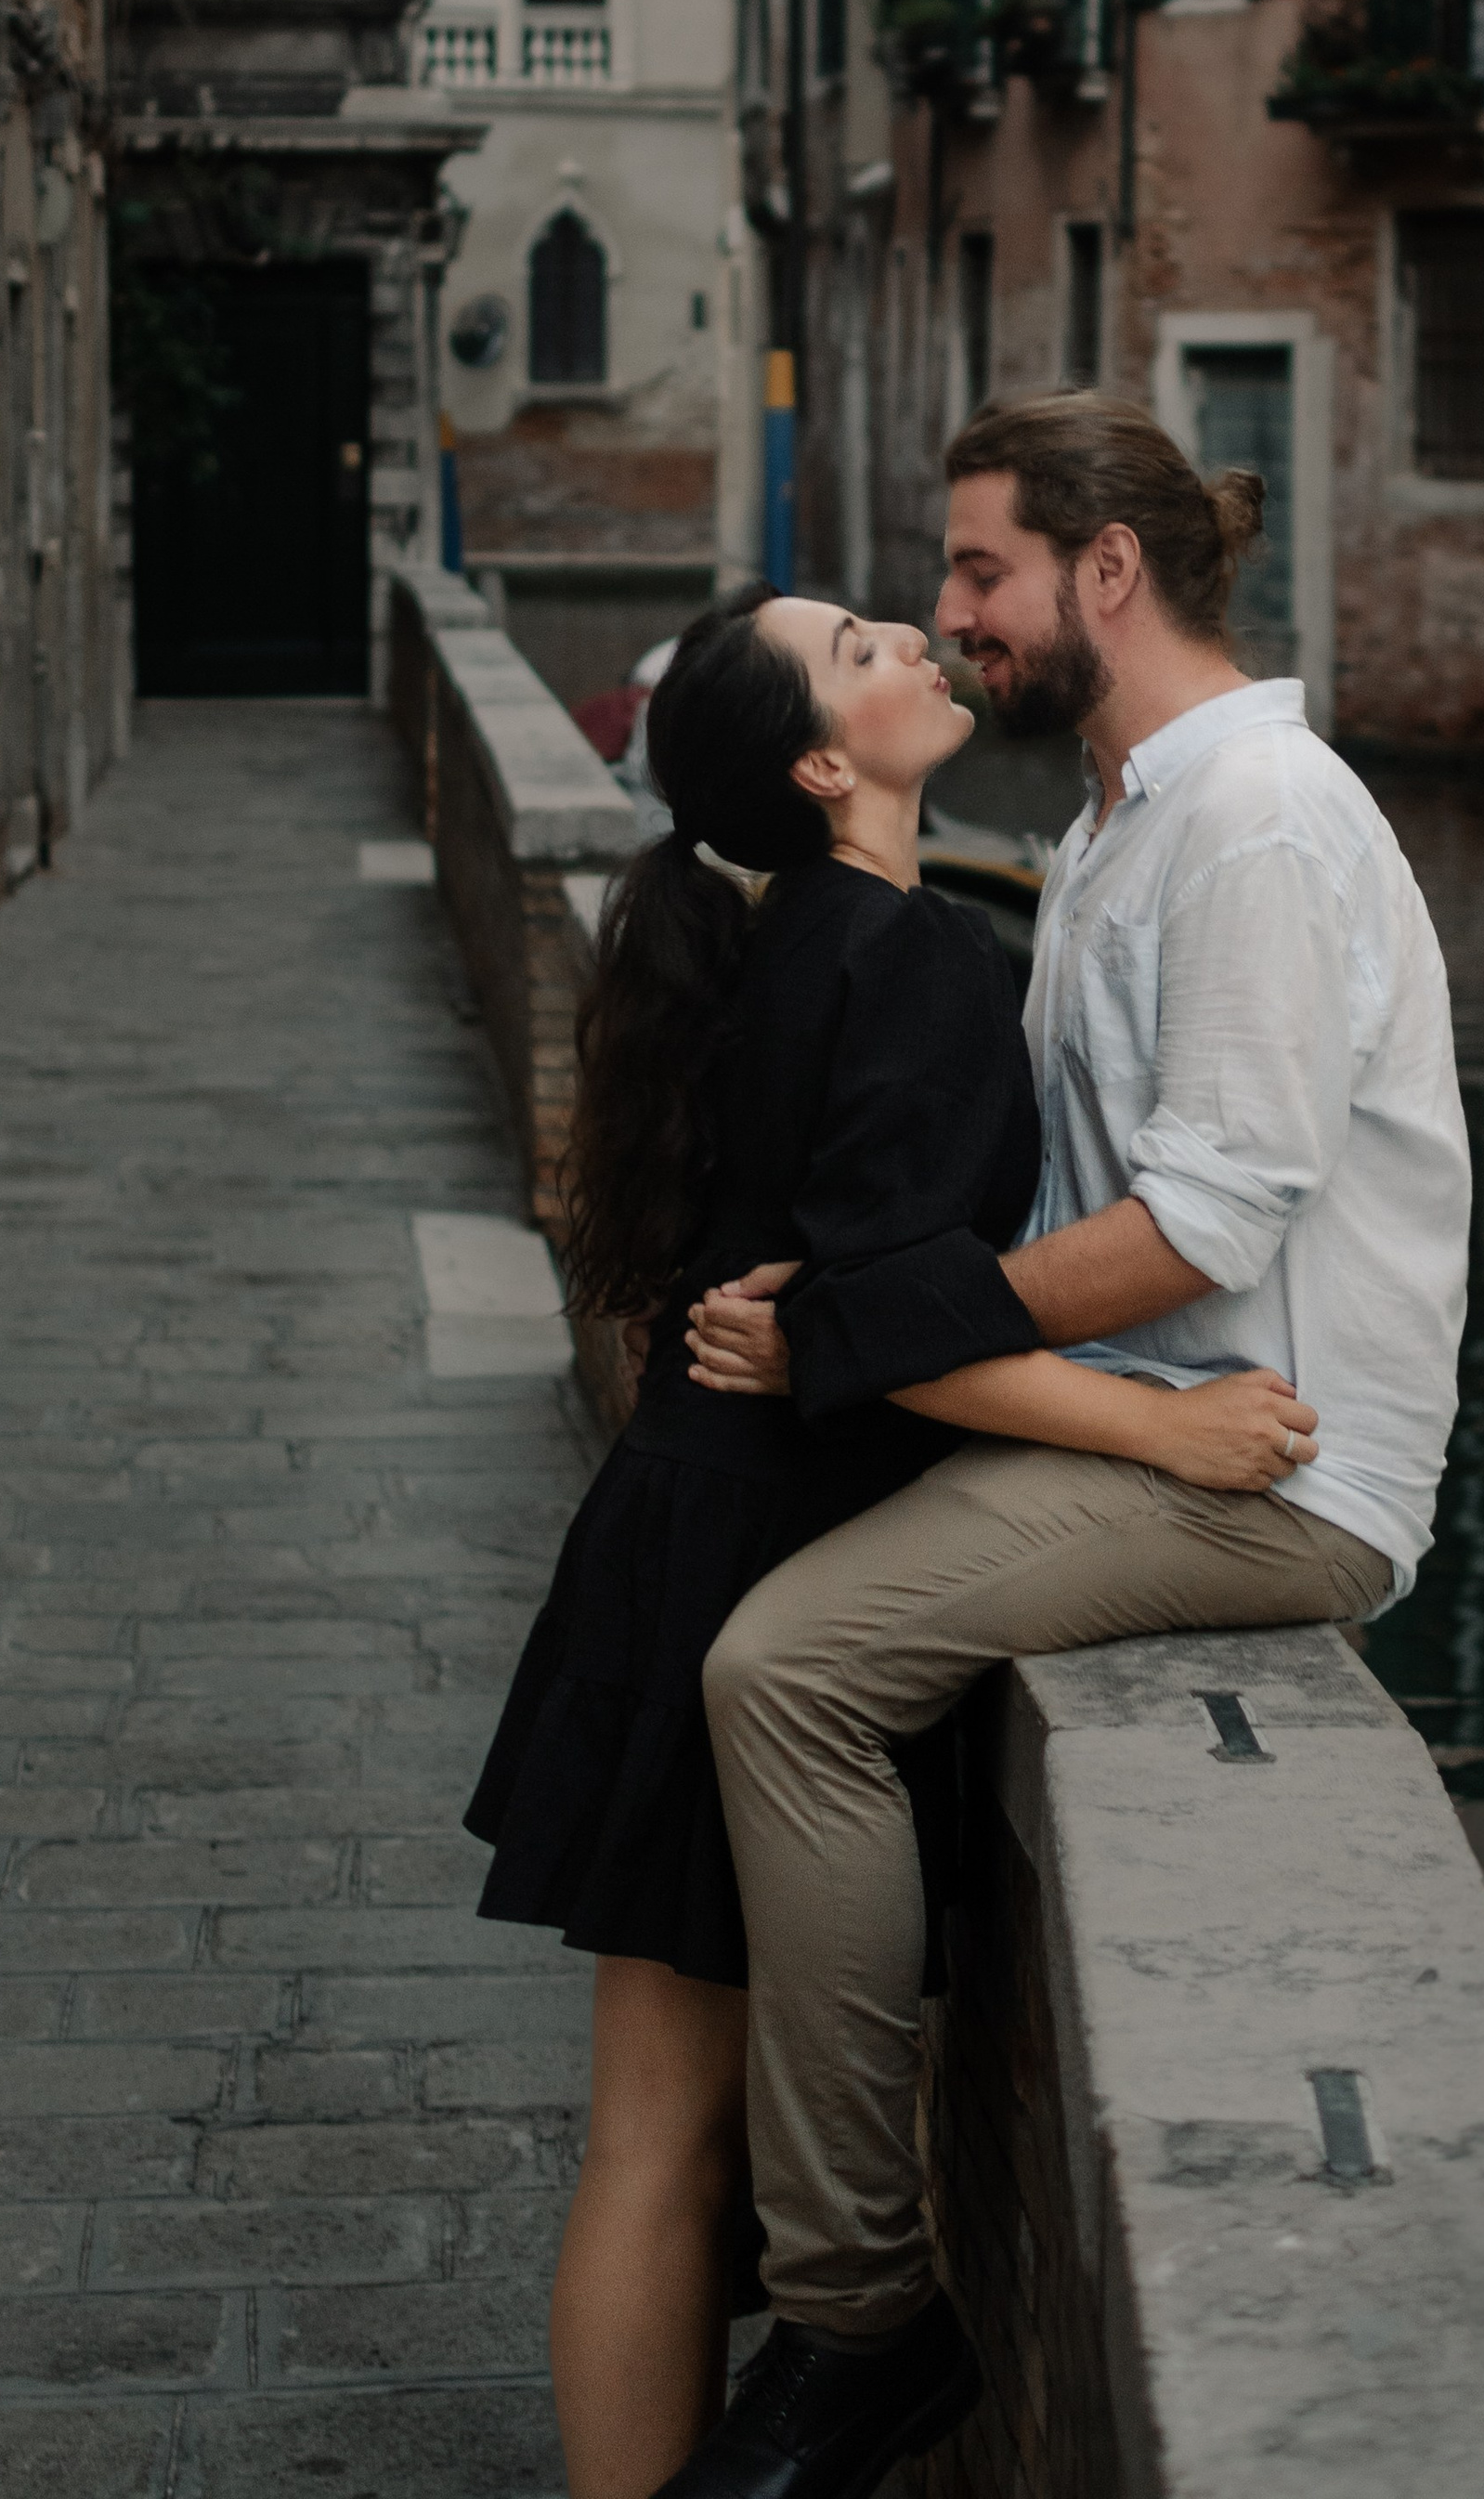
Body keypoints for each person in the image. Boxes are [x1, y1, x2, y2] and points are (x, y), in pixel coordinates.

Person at [671, 395, 1473, 2499]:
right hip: (1135, 1431)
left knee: (786, 1672)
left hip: (1275, 1478)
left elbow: (1205, 1225)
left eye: (975, 575)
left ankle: (856, 2312)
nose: (949, 622)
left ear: (1101, 572)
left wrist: (863, 1329)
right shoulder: (1126, 815)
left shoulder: (1257, 824)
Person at [462, 579, 1321, 2499]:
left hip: (674, 1521)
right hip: (746, 1539)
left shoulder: (777, 944)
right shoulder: (914, 960)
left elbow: (836, 1299)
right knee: (665, 2148)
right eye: (866, 651)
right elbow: (903, 1328)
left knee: (645, 2137)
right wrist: (1163, 1428)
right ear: (818, 762)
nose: (918, 646)